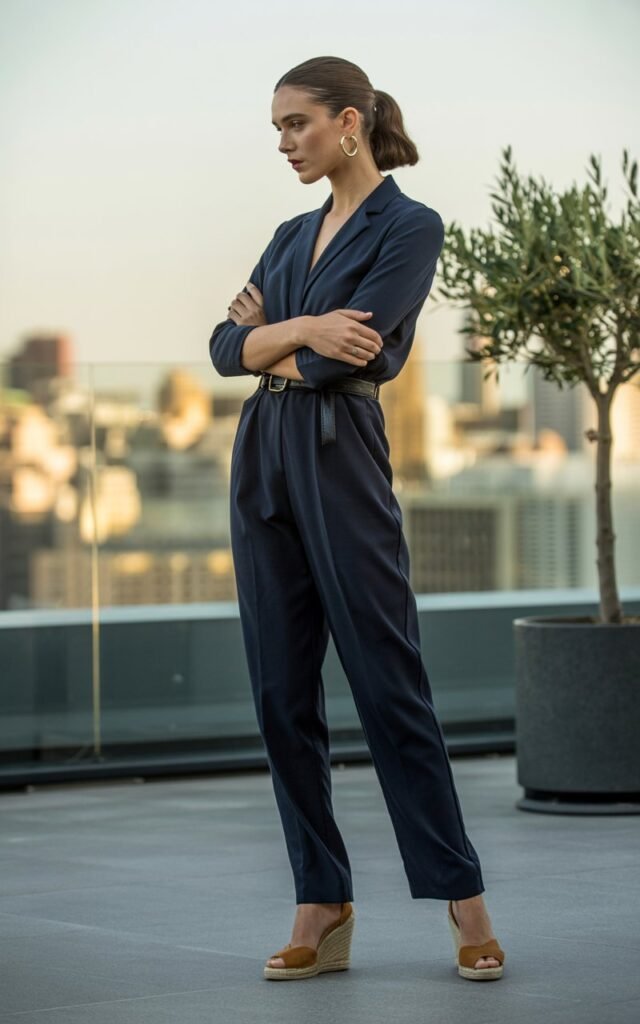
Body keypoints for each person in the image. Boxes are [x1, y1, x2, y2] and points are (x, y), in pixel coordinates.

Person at [209, 55, 506, 983]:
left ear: (349, 122)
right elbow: (225, 348)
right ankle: (320, 901)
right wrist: (301, 330)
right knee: (278, 694)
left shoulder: (410, 225)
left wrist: (278, 341)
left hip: (340, 459)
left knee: (388, 684)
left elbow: (359, 359)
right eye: (276, 130)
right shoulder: (289, 235)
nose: (286, 144)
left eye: (296, 124)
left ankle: (465, 901)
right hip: (262, 460)